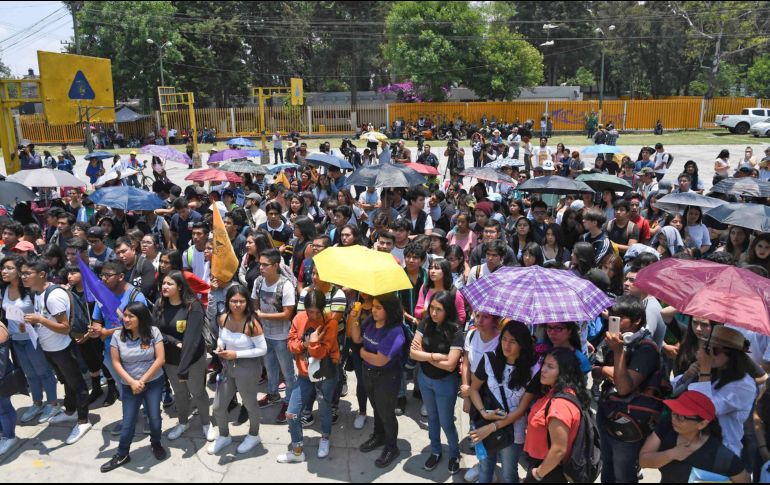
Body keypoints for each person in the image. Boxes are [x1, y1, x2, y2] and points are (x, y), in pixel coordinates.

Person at [21, 258, 92, 445]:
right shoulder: (37, 292)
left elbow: (64, 327)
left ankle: (83, 421)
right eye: (23, 273)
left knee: (77, 384)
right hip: (50, 347)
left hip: (64, 348)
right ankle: (70, 411)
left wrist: (40, 320)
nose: (23, 277)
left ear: (42, 274)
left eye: (27, 273)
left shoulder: (53, 296)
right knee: (65, 381)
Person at [594, 295, 661, 483]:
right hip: (607, 409)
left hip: (630, 418)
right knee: (606, 463)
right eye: (612, 316)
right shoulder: (612, 338)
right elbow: (593, 369)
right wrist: (607, 369)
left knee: (623, 471)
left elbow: (624, 387)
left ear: (637, 320)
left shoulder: (646, 347)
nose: (614, 321)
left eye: (620, 317)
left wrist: (617, 353)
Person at [100, 303, 167, 472]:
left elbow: (160, 359)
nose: (126, 319)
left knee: (154, 417)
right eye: (125, 315)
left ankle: (156, 443)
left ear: (141, 317)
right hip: (129, 385)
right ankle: (122, 453)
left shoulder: (153, 332)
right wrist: (131, 382)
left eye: (131, 316)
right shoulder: (117, 335)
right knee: (128, 421)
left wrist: (141, 381)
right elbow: (116, 362)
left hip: (153, 383)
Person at [670, 324, 755, 457]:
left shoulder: (744, 385)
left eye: (714, 351)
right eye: (707, 348)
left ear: (732, 356)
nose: (708, 354)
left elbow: (704, 411)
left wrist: (704, 372)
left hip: (721, 452)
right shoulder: (712, 371)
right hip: (692, 446)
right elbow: (672, 391)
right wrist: (687, 375)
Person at [470, 321, 537, 483]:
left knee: (509, 474)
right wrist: (483, 413)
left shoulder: (533, 370)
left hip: (514, 430)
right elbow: (473, 390)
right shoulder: (489, 359)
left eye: (513, 341)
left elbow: (521, 410)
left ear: (523, 344)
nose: (506, 345)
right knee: (485, 469)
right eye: (504, 339)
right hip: (485, 422)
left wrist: (491, 427)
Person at [277, 289, 339, 463]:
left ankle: (325, 438)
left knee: (325, 407)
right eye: (310, 311)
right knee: (292, 413)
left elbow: (320, 353)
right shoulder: (299, 318)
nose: (313, 315)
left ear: (323, 309)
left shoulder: (331, 323)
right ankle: (297, 451)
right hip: (304, 375)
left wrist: (311, 344)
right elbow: (290, 345)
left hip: (325, 374)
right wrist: (305, 342)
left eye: (317, 312)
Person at [639, 390, 750, 483]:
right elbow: (643, 461)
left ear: (702, 424)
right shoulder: (667, 427)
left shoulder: (721, 456)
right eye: (674, 412)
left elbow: (743, 478)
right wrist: (672, 454)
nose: (674, 419)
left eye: (681, 417)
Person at [155, 271, 214, 442]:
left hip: (193, 358)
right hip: (171, 359)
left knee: (198, 392)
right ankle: (183, 423)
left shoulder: (192, 306)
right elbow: (156, 331)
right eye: (163, 283)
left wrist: (184, 367)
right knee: (179, 393)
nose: (164, 287)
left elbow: (192, 338)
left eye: (169, 284)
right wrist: (173, 342)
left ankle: (206, 423)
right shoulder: (159, 304)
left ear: (180, 287)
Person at [349, 291, 406, 468]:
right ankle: (378, 436)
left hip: (387, 378)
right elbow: (356, 337)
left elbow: (381, 360)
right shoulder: (371, 322)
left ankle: (391, 447)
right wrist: (356, 318)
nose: (373, 310)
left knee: (386, 413)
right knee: (376, 409)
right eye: (373, 306)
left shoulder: (395, 331)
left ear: (389, 310)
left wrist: (362, 353)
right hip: (369, 374)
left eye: (378, 308)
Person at [410, 291, 464, 474]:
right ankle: (435, 451)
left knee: (446, 422)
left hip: (445, 383)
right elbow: (412, 352)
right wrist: (435, 356)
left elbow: (450, 365)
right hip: (425, 379)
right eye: (432, 308)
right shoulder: (426, 323)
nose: (433, 313)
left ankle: (454, 454)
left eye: (438, 310)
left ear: (447, 310)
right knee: (432, 419)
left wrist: (425, 356)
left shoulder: (456, 331)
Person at [208, 285, 267, 456]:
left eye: (241, 301)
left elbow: (262, 349)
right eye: (234, 301)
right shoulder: (223, 318)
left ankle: (254, 435)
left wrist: (236, 354)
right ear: (228, 302)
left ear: (247, 302)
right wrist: (220, 345)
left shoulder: (252, 323)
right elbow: (221, 335)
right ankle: (224, 436)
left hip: (248, 368)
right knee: (218, 407)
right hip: (228, 367)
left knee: (249, 404)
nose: (237, 304)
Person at [1, 256, 59, 425]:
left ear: (19, 272)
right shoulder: (3, 289)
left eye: (9, 268)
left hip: (32, 339)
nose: (4, 271)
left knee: (43, 372)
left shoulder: (31, 291)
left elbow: (43, 313)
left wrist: (31, 322)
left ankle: (53, 403)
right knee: (30, 374)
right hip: (15, 339)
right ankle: (37, 403)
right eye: (3, 268)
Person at [523, 348, 589, 483]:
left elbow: (559, 449)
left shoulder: (559, 405)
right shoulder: (556, 392)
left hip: (549, 471)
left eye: (550, 366)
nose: (543, 370)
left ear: (563, 373)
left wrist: (538, 474)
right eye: (544, 364)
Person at [253, 248, 297, 424]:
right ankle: (272, 394)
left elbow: (287, 313)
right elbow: (255, 302)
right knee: (270, 368)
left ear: (276, 266)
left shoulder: (285, 285)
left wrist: (263, 316)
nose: (261, 268)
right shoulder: (258, 282)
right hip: (265, 334)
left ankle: (290, 402)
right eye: (260, 264)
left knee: (287, 372)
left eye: (265, 265)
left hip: (282, 336)